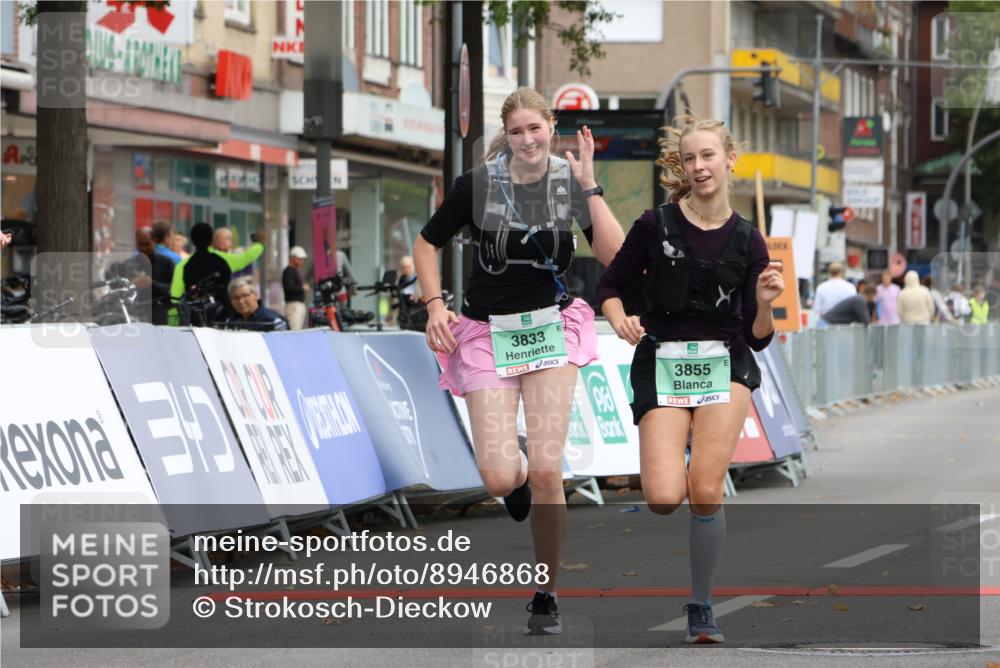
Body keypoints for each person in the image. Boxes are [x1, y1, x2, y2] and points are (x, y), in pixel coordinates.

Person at [414, 87, 625, 636]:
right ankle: (521, 477)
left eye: (535, 129)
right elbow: (424, 244)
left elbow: (614, 257)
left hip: (551, 327)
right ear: (504, 136)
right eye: (516, 132)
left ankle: (546, 592)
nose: (527, 140)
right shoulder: (477, 185)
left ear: (550, 126)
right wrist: (436, 304)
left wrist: (590, 187)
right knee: (499, 477)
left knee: (552, 466)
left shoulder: (567, 181)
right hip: (487, 332)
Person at [596, 116, 783, 645]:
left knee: (704, 489)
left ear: (729, 160)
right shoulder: (654, 225)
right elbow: (608, 287)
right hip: (663, 362)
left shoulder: (749, 240)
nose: (699, 167)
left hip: (726, 363)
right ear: (681, 167)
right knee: (661, 496)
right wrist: (618, 318)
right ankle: (677, 448)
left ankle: (701, 605)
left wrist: (767, 305)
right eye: (689, 159)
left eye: (708, 156)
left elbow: (759, 335)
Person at [168, 222, 232, 325]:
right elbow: (227, 284)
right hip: (221, 317)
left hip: (195, 315)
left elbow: (188, 289)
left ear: (192, 240)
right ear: (211, 239)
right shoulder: (220, 262)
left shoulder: (188, 265)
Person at [812, 262, 855, 327]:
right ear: (842, 272)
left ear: (829, 272)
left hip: (826, 325)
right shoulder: (850, 287)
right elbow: (854, 308)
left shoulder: (821, 287)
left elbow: (816, 310)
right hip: (845, 326)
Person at [283, 246, 310, 330]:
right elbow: (289, 287)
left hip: (298, 305)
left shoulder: (295, 271)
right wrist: (302, 287)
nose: (302, 261)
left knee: (297, 329)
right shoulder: (289, 271)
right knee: (294, 330)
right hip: (293, 305)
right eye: (300, 259)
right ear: (293, 258)